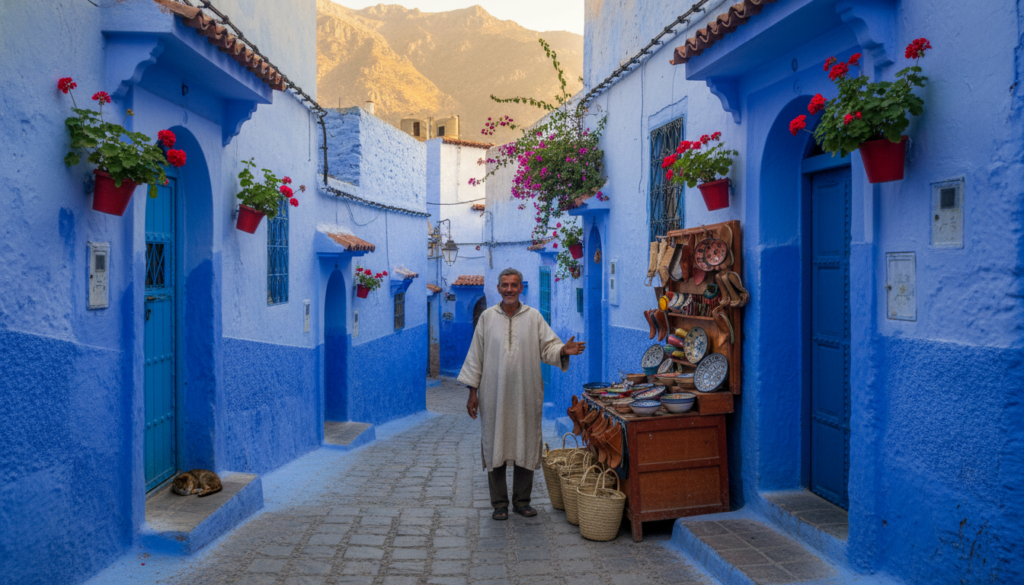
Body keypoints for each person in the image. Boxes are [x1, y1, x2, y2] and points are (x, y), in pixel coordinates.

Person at [458, 267, 586, 520]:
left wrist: (563, 350)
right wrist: (473, 393)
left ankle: (522, 501)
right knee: (495, 442)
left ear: (520, 288)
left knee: (525, 441)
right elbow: (475, 357)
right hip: (493, 395)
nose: (509, 290)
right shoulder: (486, 318)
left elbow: (549, 347)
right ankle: (499, 503)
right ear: (498, 288)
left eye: (514, 285)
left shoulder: (534, 317)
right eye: (505, 285)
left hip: (526, 393)